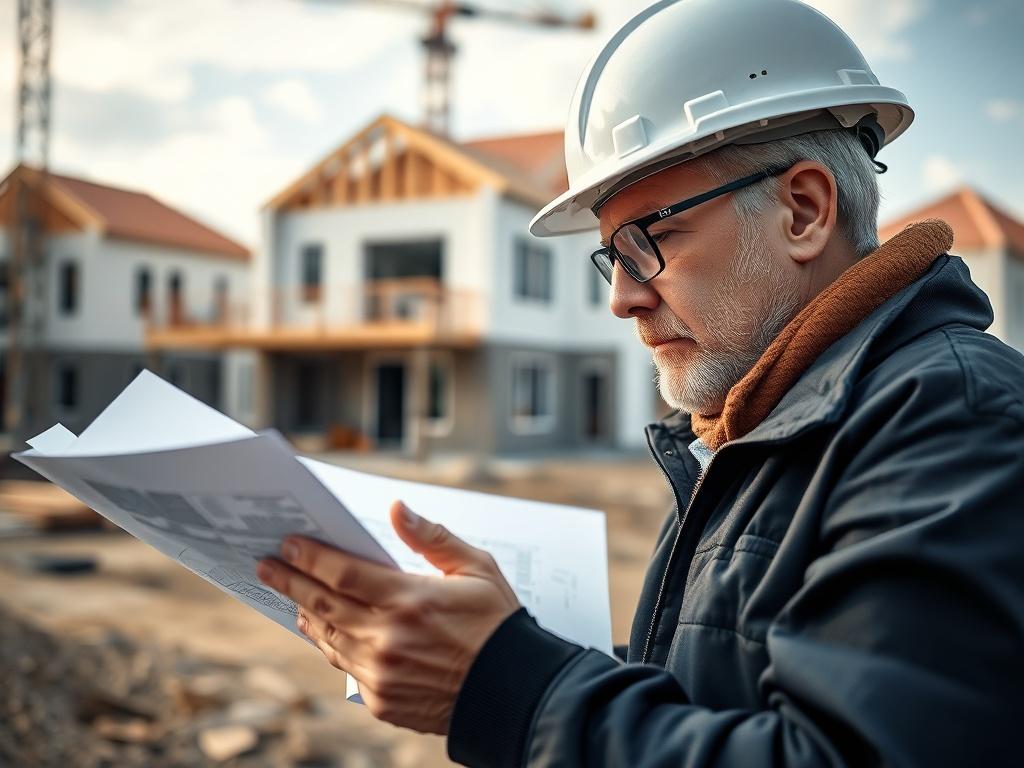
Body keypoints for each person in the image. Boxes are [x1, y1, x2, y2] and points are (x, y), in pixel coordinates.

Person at [257, 0, 1024, 764]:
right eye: (611, 256)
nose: (622, 295)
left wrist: (508, 687)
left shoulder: (954, 418)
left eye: (648, 240)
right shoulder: (754, 433)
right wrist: (514, 645)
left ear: (803, 210)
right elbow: (725, 695)